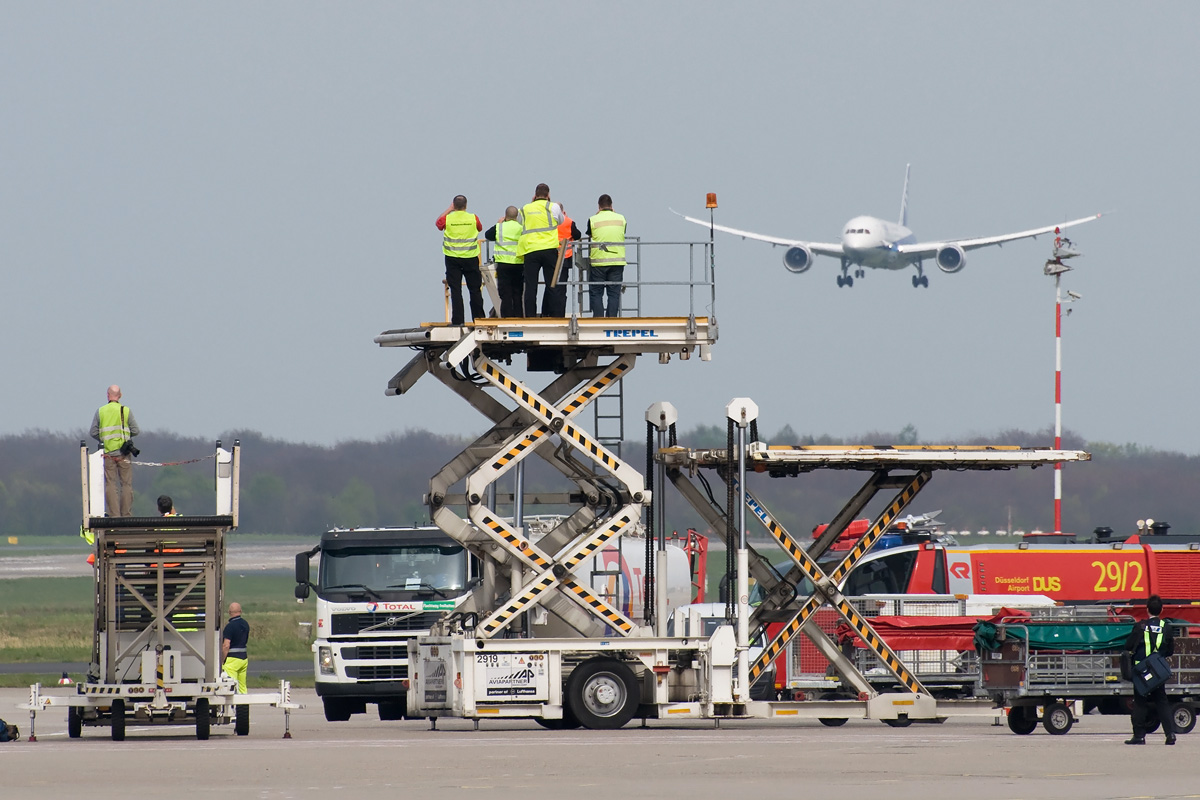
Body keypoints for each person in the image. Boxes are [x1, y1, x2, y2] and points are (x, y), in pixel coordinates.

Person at [1125, 594, 1176, 745]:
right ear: (1162, 610)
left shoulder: (1140, 626)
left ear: (1147, 609)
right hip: (1158, 671)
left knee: (1140, 702)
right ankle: (1170, 734)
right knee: (1162, 701)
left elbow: (1128, 646)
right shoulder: (1166, 628)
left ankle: (1139, 736)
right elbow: (1170, 650)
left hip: (1142, 672)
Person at [89, 385, 140, 517]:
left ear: (108, 395)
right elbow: (136, 430)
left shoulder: (100, 411)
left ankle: (114, 515)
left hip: (107, 454)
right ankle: (126, 514)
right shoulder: (126, 411)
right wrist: (125, 436)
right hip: (124, 453)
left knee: (111, 484)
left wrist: (104, 439)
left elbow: (93, 432)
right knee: (126, 485)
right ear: (120, 395)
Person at [517, 183, 565, 317]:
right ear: (548, 195)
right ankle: (554, 315)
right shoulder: (553, 207)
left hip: (531, 250)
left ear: (535, 195)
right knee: (552, 285)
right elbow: (561, 221)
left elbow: (520, 222)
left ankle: (530, 316)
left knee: (531, 286)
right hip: (549, 249)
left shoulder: (525, 208)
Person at [435, 195, 484, 325]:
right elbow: (480, 228)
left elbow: (438, 223)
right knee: (475, 289)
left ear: (453, 205)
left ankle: (458, 320)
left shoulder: (447, 218)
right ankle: (479, 318)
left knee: (456, 289)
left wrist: (449, 209)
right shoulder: (473, 218)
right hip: (470, 257)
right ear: (466, 206)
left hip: (452, 258)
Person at [586, 194, 627, 317]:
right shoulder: (621, 219)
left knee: (596, 292)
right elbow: (623, 231)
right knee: (614, 293)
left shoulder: (593, 219)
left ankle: (598, 320)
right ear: (612, 206)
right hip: (617, 262)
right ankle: (611, 320)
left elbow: (590, 234)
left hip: (599, 262)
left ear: (599, 206)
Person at [484, 206, 525, 317]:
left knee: (505, 293)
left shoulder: (499, 227)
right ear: (517, 217)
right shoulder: (521, 228)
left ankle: (507, 317)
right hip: (519, 263)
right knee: (517, 293)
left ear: (505, 216)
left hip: (503, 264)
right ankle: (519, 317)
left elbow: (488, 235)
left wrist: (499, 223)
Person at [556, 204, 582, 313]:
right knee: (562, 288)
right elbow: (577, 235)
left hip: (551, 257)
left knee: (551, 287)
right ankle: (559, 313)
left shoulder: (548, 222)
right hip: (565, 258)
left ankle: (548, 312)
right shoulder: (568, 222)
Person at [222, 601, 250, 694]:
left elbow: (226, 645)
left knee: (231, 686)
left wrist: (222, 659)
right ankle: (243, 706)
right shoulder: (245, 624)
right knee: (242, 687)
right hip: (244, 658)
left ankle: (232, 707)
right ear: (240, 611)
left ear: (229, 613)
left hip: (232, 660)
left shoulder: (230, 627)